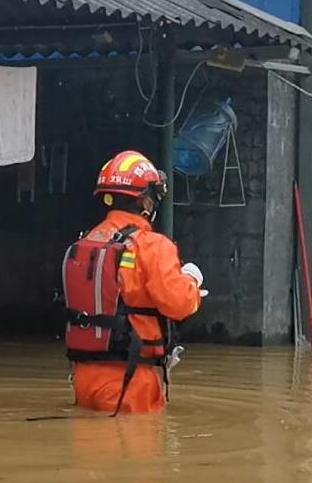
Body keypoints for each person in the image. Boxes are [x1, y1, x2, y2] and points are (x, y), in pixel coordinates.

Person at [64, 151, 206, 415]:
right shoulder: (152, 246)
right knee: (137, 450)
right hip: (131, 379)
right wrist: (192, 282)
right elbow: (180, 304)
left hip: (83, 378)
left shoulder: (85, 243)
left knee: (89, 450)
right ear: (145, 201)